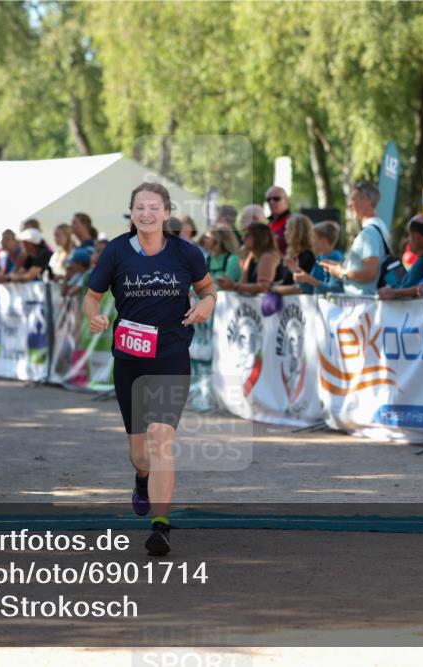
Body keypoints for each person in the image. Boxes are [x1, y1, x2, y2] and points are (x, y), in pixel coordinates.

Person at [83, 182, 215, 556]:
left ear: (167, 213)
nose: (147, 214)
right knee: (140, 454)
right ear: (132, 212)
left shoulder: (186, 253)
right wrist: (94, 318)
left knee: (162, 440)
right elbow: (92, 298)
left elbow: (209, 289)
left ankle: (161, 525)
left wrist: (207, 304)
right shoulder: (117, 253)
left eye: (154, 208)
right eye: (140, 207)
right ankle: (142, 479)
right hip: (130, 360)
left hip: (172, 355)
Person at [322, 181, 390, 296]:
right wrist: (342, 266)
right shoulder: (380, 227)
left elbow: (370, 272)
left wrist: (342, 273)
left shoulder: (370, 232)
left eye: (353, 199)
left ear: (366, 201)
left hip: (363, 303)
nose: (349, 204)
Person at [378, 215, 423, 299]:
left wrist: (392, 292)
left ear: (417, 237)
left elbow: (406, 289)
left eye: (409, 235)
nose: (407, 240)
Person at [217, 222, 282, 294]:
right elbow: (244, 283)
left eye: (247, 236)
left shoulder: (268, 256)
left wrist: (234, 286)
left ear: (259, 237)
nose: (243, 238)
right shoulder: (251, 256)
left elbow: (263, 286)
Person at [274, 213, 317, 295]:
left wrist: (272, 289)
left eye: (287, 230)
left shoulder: (307, 256)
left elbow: (299, 288)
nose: (284, 233)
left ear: (297, 232)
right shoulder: (291, 255)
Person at [265, 186, 291, 254]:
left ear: (287, 200)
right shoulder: (268, 225)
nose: (271, 202)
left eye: (276, 199)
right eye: (268, 199)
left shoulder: (293, 222)